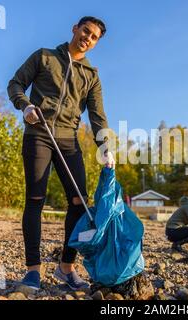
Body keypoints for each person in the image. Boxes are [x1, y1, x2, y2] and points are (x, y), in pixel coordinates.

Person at [7, 16, 115, 290]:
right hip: (38, 134)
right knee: (35, 199)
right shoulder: (44, 57)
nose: (87, 38)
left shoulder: (91, 76)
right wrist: (26, 106)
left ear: (96, 43)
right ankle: (33, 270)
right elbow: (16, 83)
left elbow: (98, 116)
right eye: (85, 31)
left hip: (68, 140)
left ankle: (66, 267)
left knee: (79, 202)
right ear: (75, 29)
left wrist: (105, 148)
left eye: (93, 37)